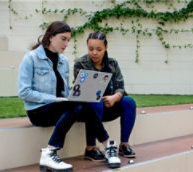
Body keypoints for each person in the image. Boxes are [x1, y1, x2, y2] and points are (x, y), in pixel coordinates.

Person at [18, 22, 121, 171]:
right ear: (51, 37)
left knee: (84, 103)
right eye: (63, 39)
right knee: (78, 105)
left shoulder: (63, 61)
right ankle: (50, 152)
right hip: (38, 111)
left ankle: (107, 146)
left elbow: (65, 91)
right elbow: (24, 92)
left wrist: (75, 94)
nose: (66, 44)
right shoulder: (31, 58)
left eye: (68, 40)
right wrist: (55, 99)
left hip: (59, 107)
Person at [74, 31, 137, 162]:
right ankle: (90, 148)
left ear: (106, 48)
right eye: (91, 49)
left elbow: (121, 87)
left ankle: (124, 144)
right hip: (89, 109)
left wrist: (115, 97)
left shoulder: (113, 63)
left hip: (109, 105)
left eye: (99, 49)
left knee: (129, 102)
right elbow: (82, 91)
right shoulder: (81, 64)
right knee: (94, 101)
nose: (94, 53)